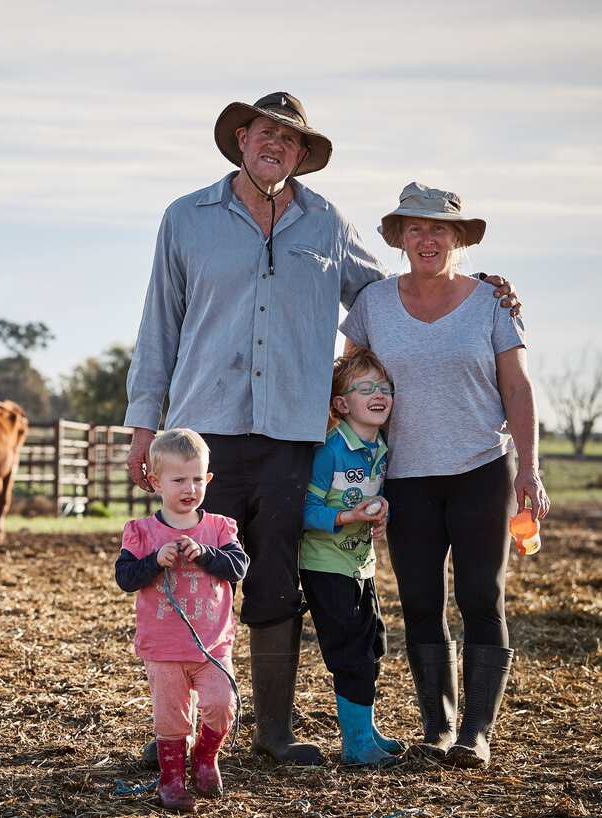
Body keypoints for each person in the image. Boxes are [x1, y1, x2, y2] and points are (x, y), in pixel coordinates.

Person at [124, 92, 519, 766]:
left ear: (304, 156)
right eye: (266, 134)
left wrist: (469, 283)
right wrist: (142, 424)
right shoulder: (185, 219)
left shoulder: (328, 224)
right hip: (204, 432)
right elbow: (158, 323)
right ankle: (180, 732)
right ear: (242, 139)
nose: (277, 146)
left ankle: (272, 734)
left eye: (292, 140)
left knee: (276, 580)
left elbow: (381, 292)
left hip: (289, 435)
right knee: (189, 577)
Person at [340, 182, 550, 769]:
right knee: (422, 600)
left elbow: (518, 388)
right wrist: (351, 468)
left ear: (459, 238)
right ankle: (438, 726)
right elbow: (349, 382)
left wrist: (529, 470)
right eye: (415, 228)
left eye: (439, 229)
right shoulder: (373, 304)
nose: (427, 238)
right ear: (400, 238)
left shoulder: (492, 303)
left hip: (482, 468)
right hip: (405, 476)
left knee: (481, 595)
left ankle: (476, 732)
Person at [115, 429, 249, 812]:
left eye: (196, 478)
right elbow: (125, 578)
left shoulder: (220, 528)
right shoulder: (141, 532)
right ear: (156, 482)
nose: (189, 488)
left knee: (222, 704)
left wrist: (206, 554)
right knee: (171, 717)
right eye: (178, 480)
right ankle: (171, 779)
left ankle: (206, 758)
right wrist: (154, 561)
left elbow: (238, 566)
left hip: (212, 643)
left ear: (207, 479)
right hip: (164, 646)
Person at [300, 349, 405, 766]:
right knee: (350, 653)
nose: (379, 394)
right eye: (366, 388)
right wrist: (348, 516)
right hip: (326, 565)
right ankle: (355, 744)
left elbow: (372, 497)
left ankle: (365, 728)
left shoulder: (378, 446)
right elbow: (305, 513)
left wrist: (382, 512)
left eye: (385, 388)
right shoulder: (331, 450)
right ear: (342, 404)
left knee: (372, 644)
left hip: (361, 563)